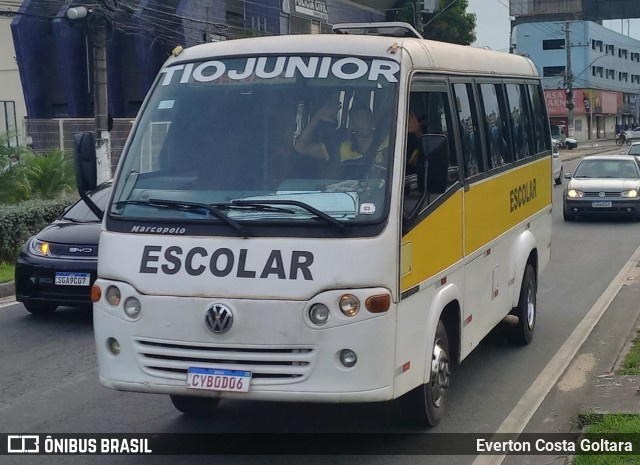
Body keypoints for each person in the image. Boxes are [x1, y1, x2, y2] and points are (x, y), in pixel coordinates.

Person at [294, 102, 388, 165]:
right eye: (360, 118)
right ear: (351, 123)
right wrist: (317, 117)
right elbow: (301, 147)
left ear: (372, 120)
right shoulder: (342, 148)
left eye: (367, 117)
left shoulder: (389, 143)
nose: (365, 121)